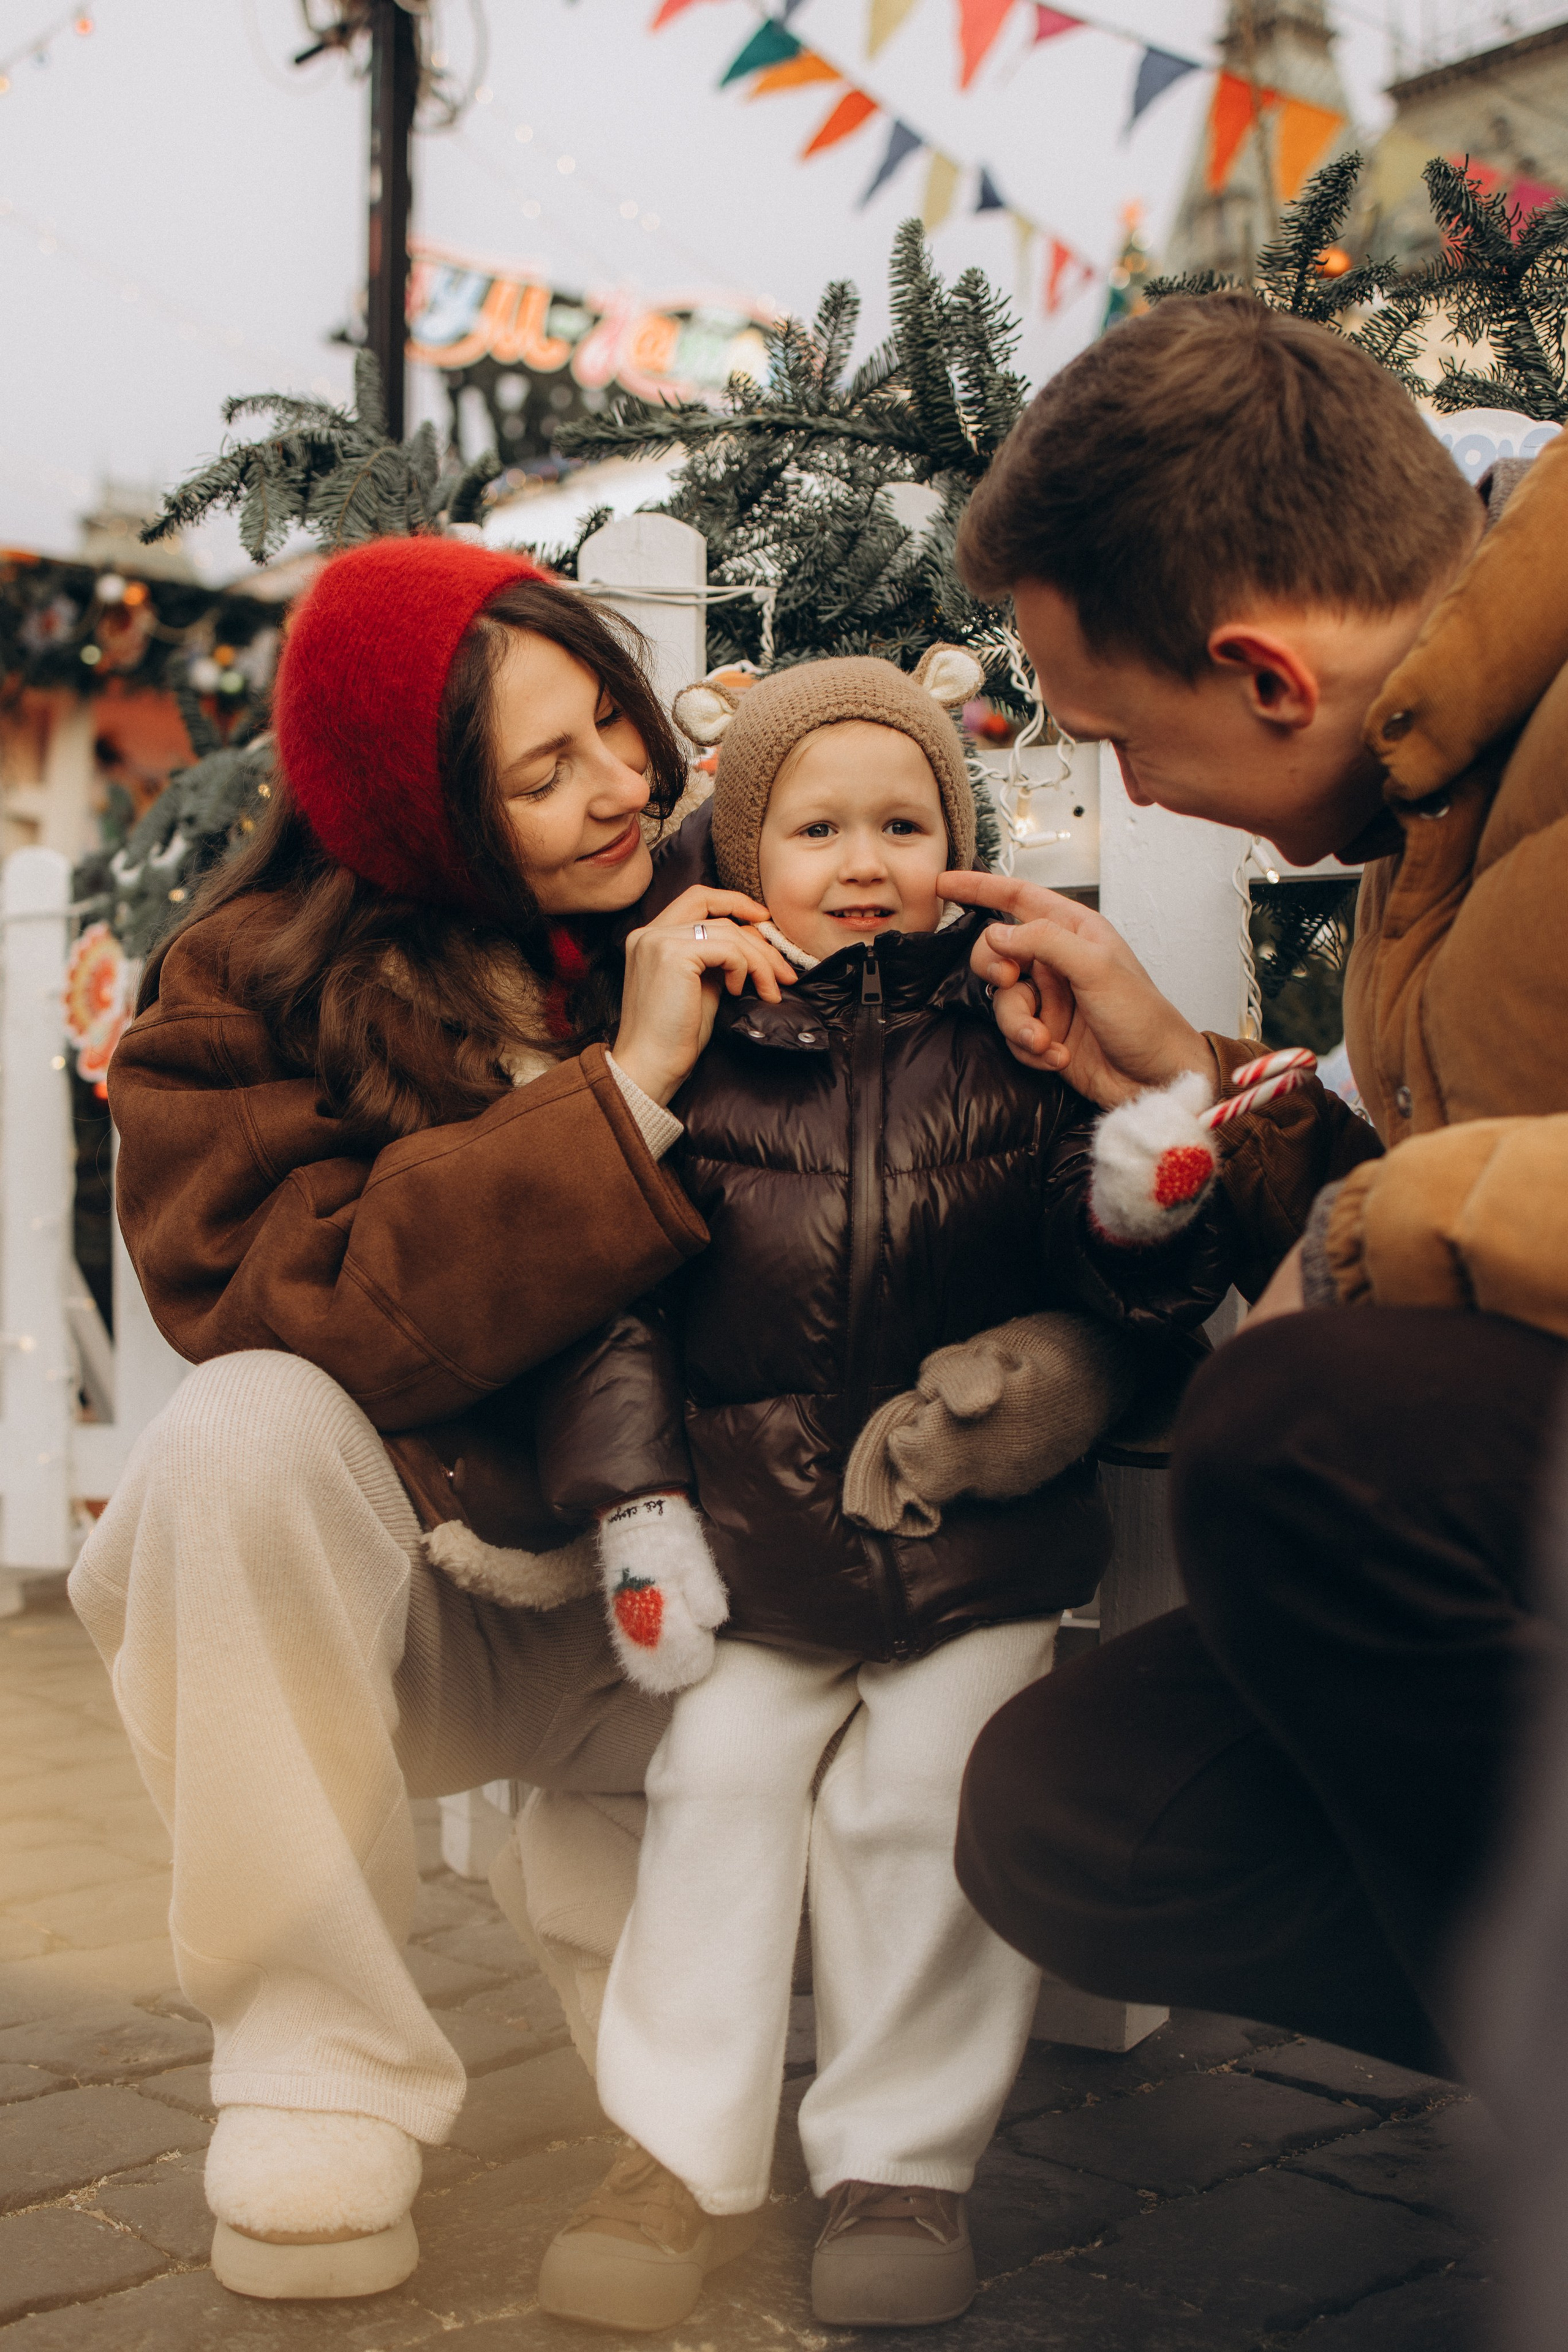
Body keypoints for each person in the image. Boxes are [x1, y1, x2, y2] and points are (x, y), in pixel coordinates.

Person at [509, 650, 1296, 2333]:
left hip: (976, 1553)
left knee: (924, 1799)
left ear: (961, 834)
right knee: (717, 1794)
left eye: (903, 818)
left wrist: (1143, 1188)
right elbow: (611, 1314)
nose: (864, 858)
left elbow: (1123, 1302)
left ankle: (899, 2163)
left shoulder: (1014, 1043)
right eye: (815, 826)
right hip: (749, 1547)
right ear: (738, 853)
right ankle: (675, 2158)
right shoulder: (695, 1062)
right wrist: (638, 1512)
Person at [69, 534, 804, 2302]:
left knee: (701, 2133)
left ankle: (705, 2091)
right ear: (421, 817)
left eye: (617, 727)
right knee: (236, 1432)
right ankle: (313, 2061)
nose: (621, 786)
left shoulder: (736, 897)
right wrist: (620, 1097)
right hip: (413, 1610)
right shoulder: (238, 994)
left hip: (710, 1615)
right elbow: (292, 1303)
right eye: (542, 774)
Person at [938, 289, 1568, 2078]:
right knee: (1078, 1812)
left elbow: (1410, 1267)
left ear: (1270, 674)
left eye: (1117, 737)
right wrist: (1185, 1081)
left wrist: (1372, 1237)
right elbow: (1457, 1210)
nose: (1124, 785)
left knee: (1294, 1435)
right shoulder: (1433, 799)